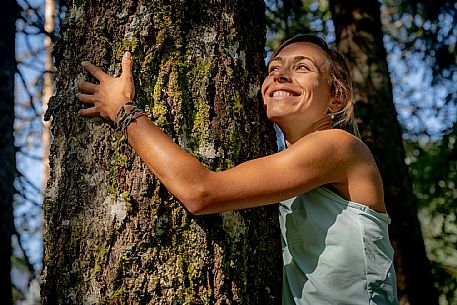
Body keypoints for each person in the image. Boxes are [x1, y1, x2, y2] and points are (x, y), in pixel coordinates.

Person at [77, 34, 400, 305]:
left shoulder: (338, 146)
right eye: (273, 69)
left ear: (336, 97)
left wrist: (122, 110)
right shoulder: (286, 168)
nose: (280, 76)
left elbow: (201, 192)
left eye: (302, 67)